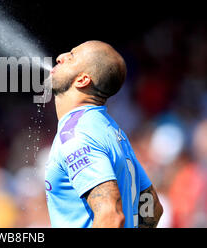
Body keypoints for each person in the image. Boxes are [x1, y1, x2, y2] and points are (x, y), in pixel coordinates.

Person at [45, 40, 163, 228]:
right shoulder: (112, 131)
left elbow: (111, 215)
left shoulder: (76, 134)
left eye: (72, 56)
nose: (60, 57)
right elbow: (152, 208)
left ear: (83, 79)